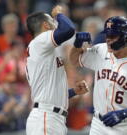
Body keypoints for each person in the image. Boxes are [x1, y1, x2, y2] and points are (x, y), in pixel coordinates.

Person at [70, 16, 127, 135]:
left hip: (126, 126)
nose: (108, 40)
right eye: (107, 35)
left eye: (113, 36)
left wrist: (124, 114)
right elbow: (74, 60)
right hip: (98, 124)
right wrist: (77, 45)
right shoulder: (101, 50)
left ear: (125, 36)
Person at [25, 6, 89, 135]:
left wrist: (74, 91)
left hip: (51, 117)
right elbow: (68, 29)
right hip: (45, 117)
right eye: (53, 22)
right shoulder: (40, 41)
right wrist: (58, 14)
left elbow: (51, 94)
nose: (56, 24)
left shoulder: (43, 50)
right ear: (46, 25)